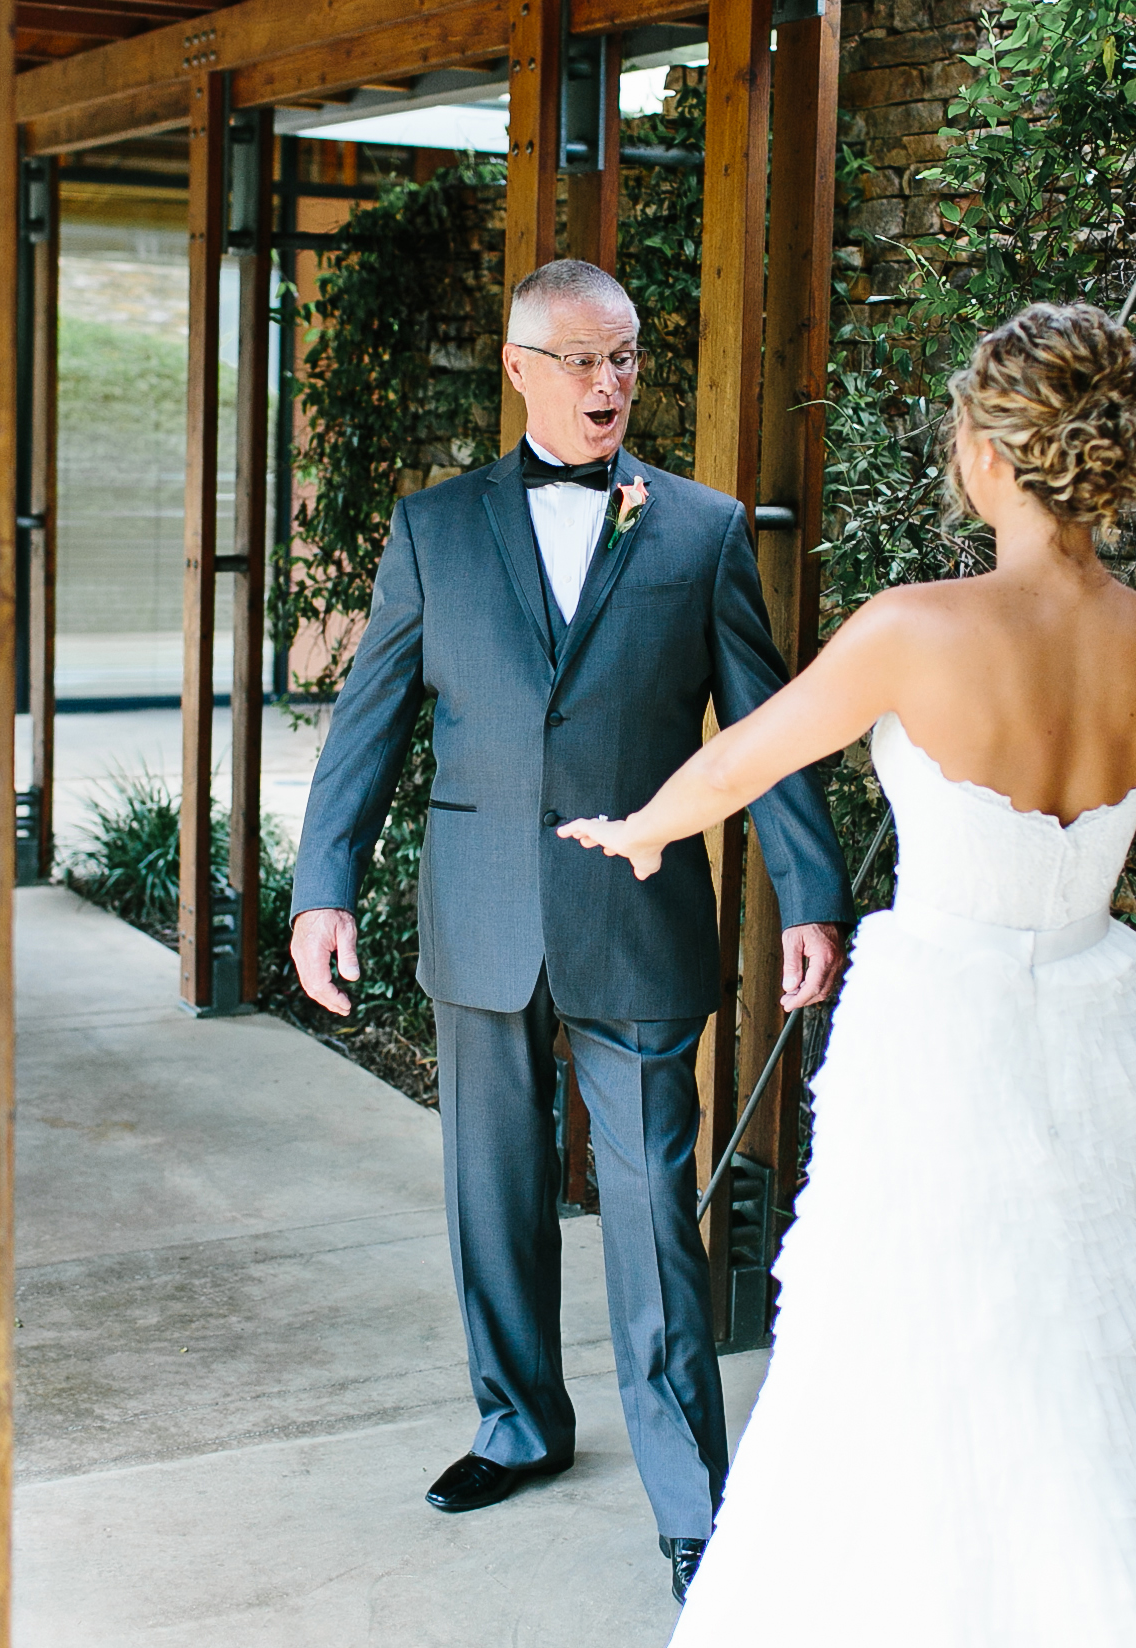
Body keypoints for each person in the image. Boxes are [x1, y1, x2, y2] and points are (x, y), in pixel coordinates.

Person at [560, 302, 1136, 1645]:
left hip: (945, 1033)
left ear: (988, 451)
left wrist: (641, 829)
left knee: (911, 1343)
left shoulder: (916, 627)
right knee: (1085, 1336)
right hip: (1084, 1024)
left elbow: (745, 759)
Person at [287, 259, 854, 1604]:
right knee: (493, 1197)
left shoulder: (704, 531)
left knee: (656, 1213)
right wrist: (325, 887)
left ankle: (689, 1502)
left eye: (627, 360)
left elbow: (768, 738)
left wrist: (812, 893)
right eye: (583, 360)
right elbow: (370, 720)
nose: (609, 385)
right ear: (519, 365)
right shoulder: (432, 528)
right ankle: (518, 1425)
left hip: (642, 918)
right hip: (480, 917)